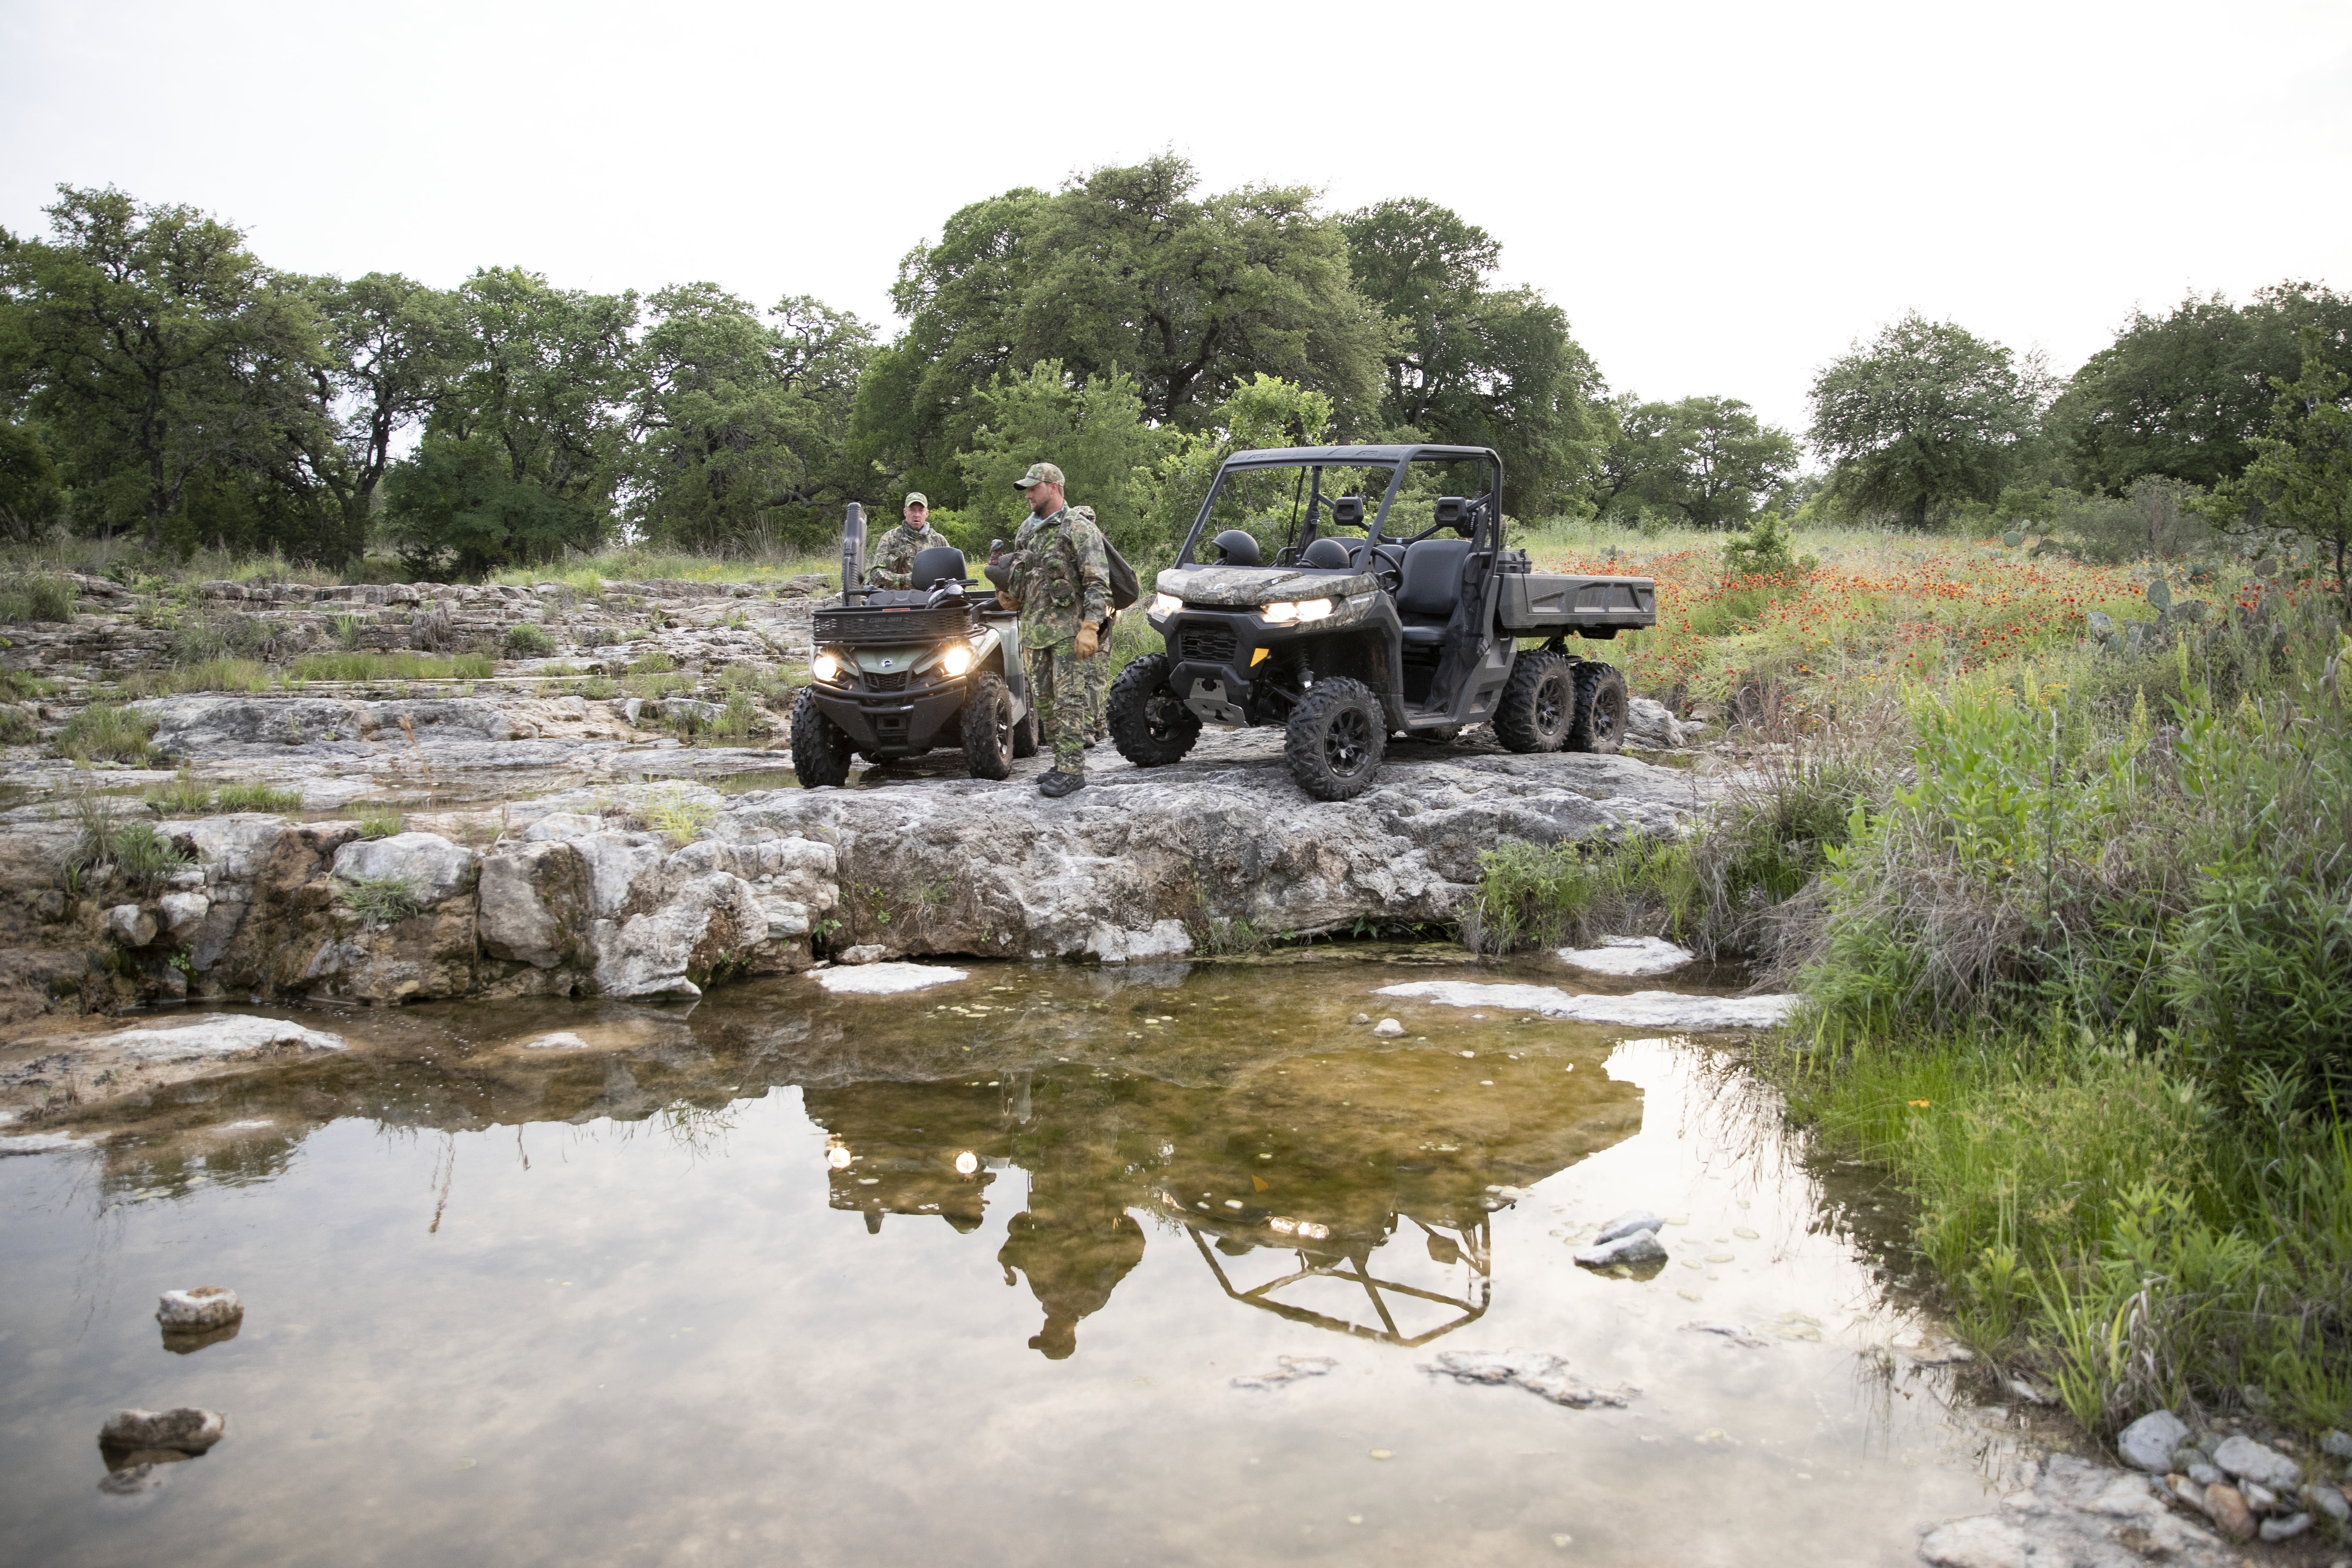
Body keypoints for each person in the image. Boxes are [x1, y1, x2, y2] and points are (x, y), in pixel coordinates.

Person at [995, 462, 1108, 797]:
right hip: (1034, 633)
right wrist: (1008, 595)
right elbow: (1022, 577)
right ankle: (1061, 762)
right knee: (1044, 705)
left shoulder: (1079, 528)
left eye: (1034, 488)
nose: (1028, 494)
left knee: (1069, 702)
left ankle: (1073, 770)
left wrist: (1091, 626)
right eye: (1027, 489)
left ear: (1054, 487)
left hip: (1068, 634)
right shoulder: (1026, 530)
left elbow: (1097, 583)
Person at [866, 492, 951, 589]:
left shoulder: (939, 541)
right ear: (905, 512)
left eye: (921, 511)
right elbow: (876, 574)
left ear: (927, 513)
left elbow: (950, 573)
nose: (917, 515)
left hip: (931, 596)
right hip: (896, 597)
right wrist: (905, 579)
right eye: (912, 510)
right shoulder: (890, 538)